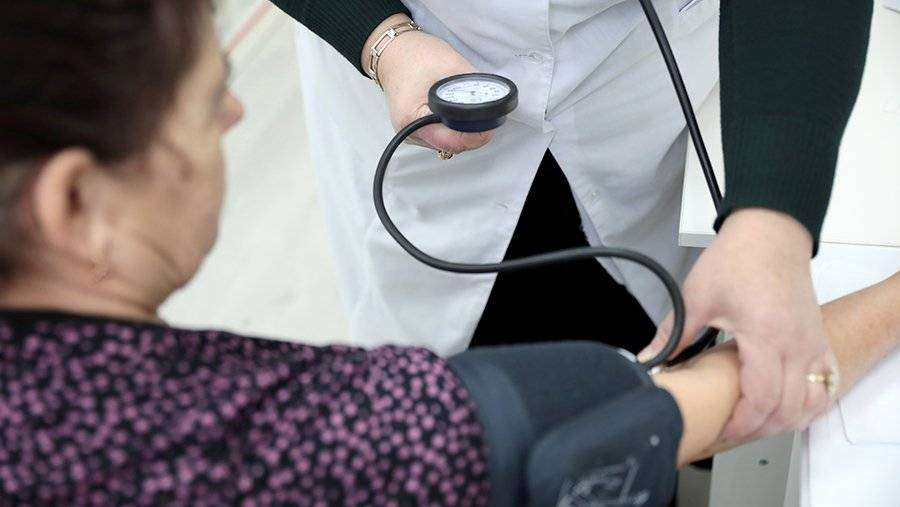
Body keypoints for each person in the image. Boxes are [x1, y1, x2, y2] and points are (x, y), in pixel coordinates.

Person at [2, 1, 897, 506]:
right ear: (74, 200)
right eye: (209, 99)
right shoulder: (311, 441)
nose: (236, 113)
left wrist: (771, 216)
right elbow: (632, 416)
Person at [272, 0, 873, 441]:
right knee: (465, 427)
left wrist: (772, 221)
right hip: (413, 62)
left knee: (641, 390)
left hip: (636, 82)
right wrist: (383, 37)